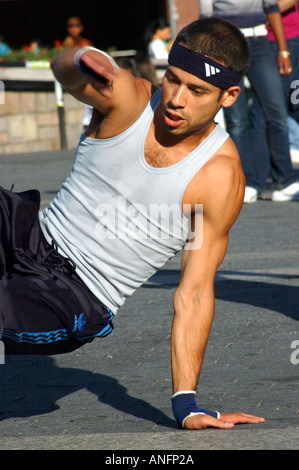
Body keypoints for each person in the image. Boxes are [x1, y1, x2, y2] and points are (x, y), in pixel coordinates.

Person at [0, 18, 265, 430]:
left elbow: (193, 294)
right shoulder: (132, 101)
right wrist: (84, 57)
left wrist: (186, 402)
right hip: (28, 236)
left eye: (197, 91)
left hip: (72, 298)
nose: (176, 99)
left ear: (229, 96)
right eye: (173, 80)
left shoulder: (219, 176)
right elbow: (63, 70)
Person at [199, 0, 299, 202]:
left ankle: (285, 180)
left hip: (260, 41)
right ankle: (246, 182)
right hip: (225, 47)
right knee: (236, 119)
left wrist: (283, 50)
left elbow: (271, 9)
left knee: (276, 112)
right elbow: (206, 19)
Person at [250, 0, 299, 167]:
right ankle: (268, 174)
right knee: (264, 112)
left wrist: (254, 15)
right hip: (263, 41)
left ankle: (281, 171)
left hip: (284, 41)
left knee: (280, 108)